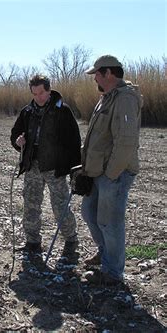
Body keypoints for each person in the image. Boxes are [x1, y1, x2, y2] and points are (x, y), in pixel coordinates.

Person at [81, 55, 142, 285]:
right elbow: (98, 137)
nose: (94, 77)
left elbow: (126, 142)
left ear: (109, 73)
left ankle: (113, 272)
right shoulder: (106, 97)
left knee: (109, 221)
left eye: (96, 73)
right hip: (98, 171)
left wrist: (111, 174)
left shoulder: (124, 98)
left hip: (114, 174)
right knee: (89, 213)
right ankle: (104, 252)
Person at [10, 74, 81, 260]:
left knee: (60, 205)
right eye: (34, 94)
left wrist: (75, 169)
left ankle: (71, 240)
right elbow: (15, 135)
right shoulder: (27, 112)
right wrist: (19, 141)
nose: (38, 97)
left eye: (41, 92)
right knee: (31, 204)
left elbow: (74, 141)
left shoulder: (63, 111)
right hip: (32, 166)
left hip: (55, 167)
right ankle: (32, 242)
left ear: (49, 90)